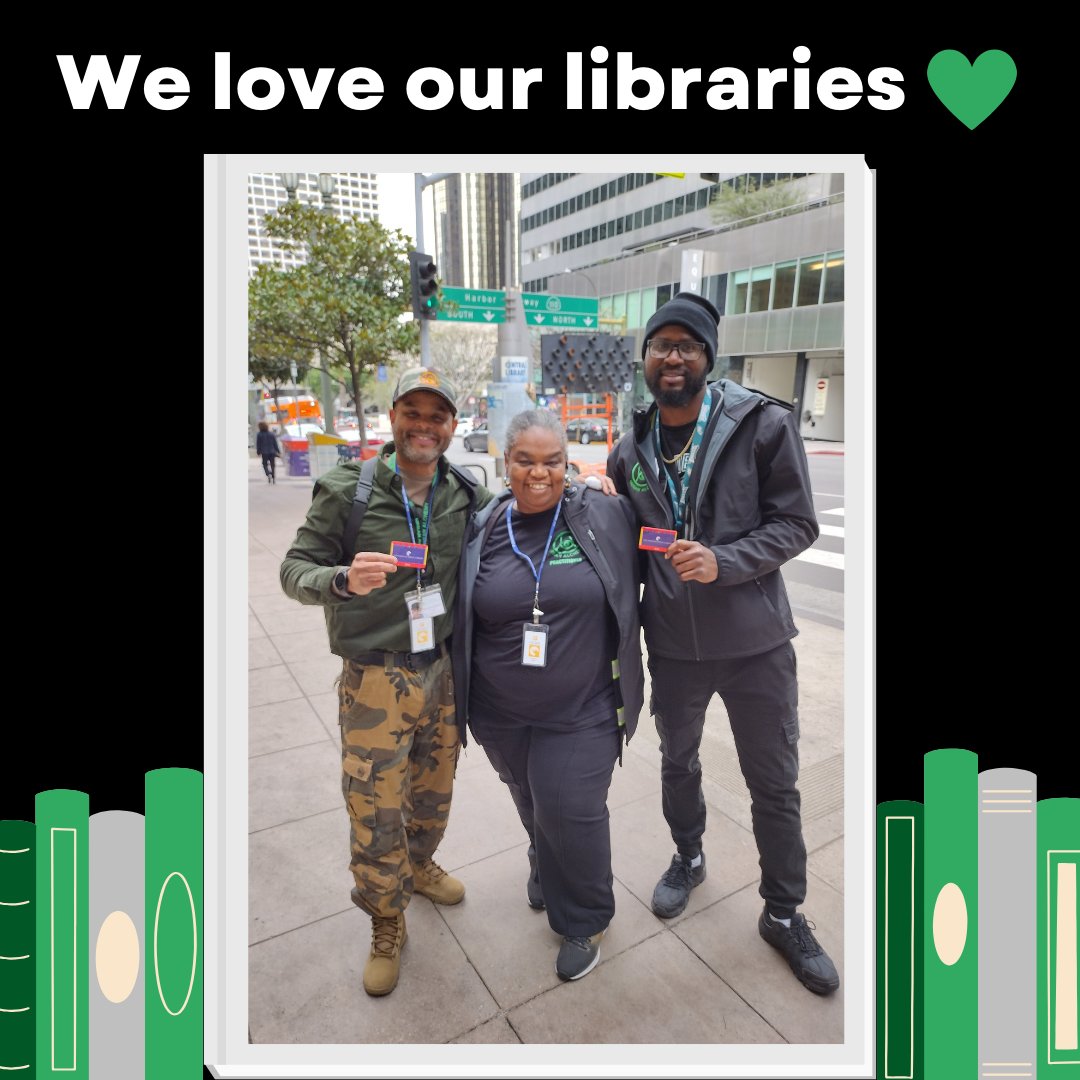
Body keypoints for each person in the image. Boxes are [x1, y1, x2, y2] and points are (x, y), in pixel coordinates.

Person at [606, 292, 840, 995]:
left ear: (708, 357)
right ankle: (688, 855)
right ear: (645, 359)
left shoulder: (761, 425)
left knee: (774, 782)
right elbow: (620, 534)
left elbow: (798, 524)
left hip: (755, 644)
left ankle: (784, 910)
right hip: (673, 646)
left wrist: (725, 560)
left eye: (687, 345)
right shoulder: (632, 447)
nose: (672, 356)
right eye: (660, 345)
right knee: (677, 763)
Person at [279, 367, 494, 998]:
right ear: (392, 415)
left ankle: (420, 867)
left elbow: (517, 523)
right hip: (375, 678)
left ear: (453, 425)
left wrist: (589, 493)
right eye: (413, 412)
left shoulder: (462, 490)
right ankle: (385, 919)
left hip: (441, 671)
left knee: (433, 792)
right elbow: (295, 569)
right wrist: (341, 579)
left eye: (438, 416)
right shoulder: (348, 489)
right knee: (375, 810)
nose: (424, 426)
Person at [452, 409, 644, 982]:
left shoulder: (603, 513)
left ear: (569, 463)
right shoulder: (480, 525)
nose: (540, 473)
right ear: (504, 462)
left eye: (553, 461)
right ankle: (543, 859)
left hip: (581, 707)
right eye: (526, 461)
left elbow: (661, 549)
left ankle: (585, 916)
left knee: (570, 808)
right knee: (529, 796)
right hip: (499, 710)